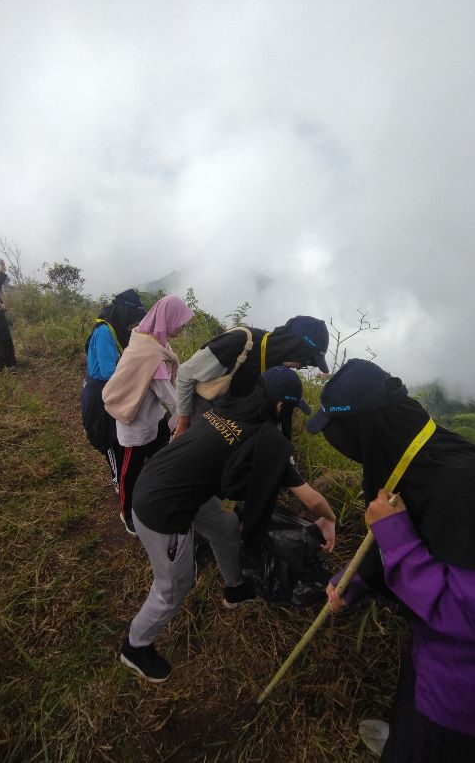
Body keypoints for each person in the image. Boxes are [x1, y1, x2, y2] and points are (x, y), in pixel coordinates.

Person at [311, 359, 475, 762]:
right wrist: (356, 582)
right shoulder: (410, 464)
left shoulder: (467, 493)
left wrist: (397, 540)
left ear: (361, 433)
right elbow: (416, 537)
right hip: (437, 661)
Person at [119, 367, 337, 683]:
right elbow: (312, 499)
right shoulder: (268, 440)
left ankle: (236, 589)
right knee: (174, 585)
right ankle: (135, 647)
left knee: (223, 527)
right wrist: (329, 519)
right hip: (161, 511)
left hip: (162, 481)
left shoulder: (223, 407)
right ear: (279, 406)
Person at [101, 295, 192, 534]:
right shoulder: (151, 354)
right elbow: (170, 398)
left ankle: (147, 500)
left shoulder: (152, 340)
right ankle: (126, 513)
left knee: (148, 465)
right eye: (181, 323)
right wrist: (190, 419)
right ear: (168, 319)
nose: (183, 328)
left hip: (152, 419)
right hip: (136, 426)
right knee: (128, 473)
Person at [173, 315, 331, 439]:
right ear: (294, 347)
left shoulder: (278, 367)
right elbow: (185, 375)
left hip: (227, 430)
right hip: (196, 421)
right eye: (305, 361)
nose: (299, 367)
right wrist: (183, 422)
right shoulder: (240, 342)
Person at [80, 289, 148, 497]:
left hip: (111, 391)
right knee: (109, 439)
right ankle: (119, 482)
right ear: (125, 315)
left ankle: (122, 478)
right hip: (100, 394)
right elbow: (110, 371)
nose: (134, 326)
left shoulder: (117, 330)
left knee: (118, 440)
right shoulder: (105, 332)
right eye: (133, 321)